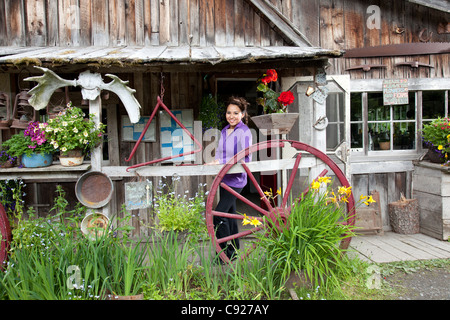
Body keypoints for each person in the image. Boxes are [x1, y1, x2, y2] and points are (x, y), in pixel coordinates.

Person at [207, 96, 252, 260]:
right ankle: (235, 250)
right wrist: (215, 162)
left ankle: (227, 253)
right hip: (224, 179)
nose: (231, 116)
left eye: (235, 113)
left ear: (242, 114)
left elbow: (244, 157)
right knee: (229, 216)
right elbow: (221, 154)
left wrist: (223, 162)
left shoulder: (244, 131)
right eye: (228, 112)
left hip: (237, 180)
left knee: (219, 215)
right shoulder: (225, 130)